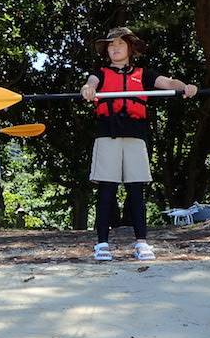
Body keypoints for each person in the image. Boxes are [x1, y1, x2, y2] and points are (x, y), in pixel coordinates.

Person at [79, 27, 197, 261]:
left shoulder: (144, 74)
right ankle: (102, 243)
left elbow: (169, 82)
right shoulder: (100, 74)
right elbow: (89, 84)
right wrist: (88, 89)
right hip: (107, 135)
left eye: (120, 44)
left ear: (130, 48)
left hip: (135, 136)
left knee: (136, 190)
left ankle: (141, 243)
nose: (115, 48)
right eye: (111, 45)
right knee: (107, 190)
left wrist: (185, 87)